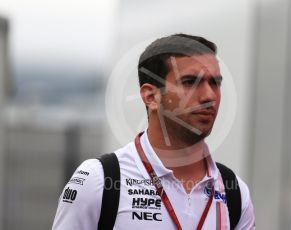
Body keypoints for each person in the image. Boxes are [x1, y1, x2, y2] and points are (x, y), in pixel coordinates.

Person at [52, 33, 255, 230]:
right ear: (150, 96)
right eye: (190, 82)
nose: (209, 95)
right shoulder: (98, 180)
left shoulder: (234, 191)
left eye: (215, 83)